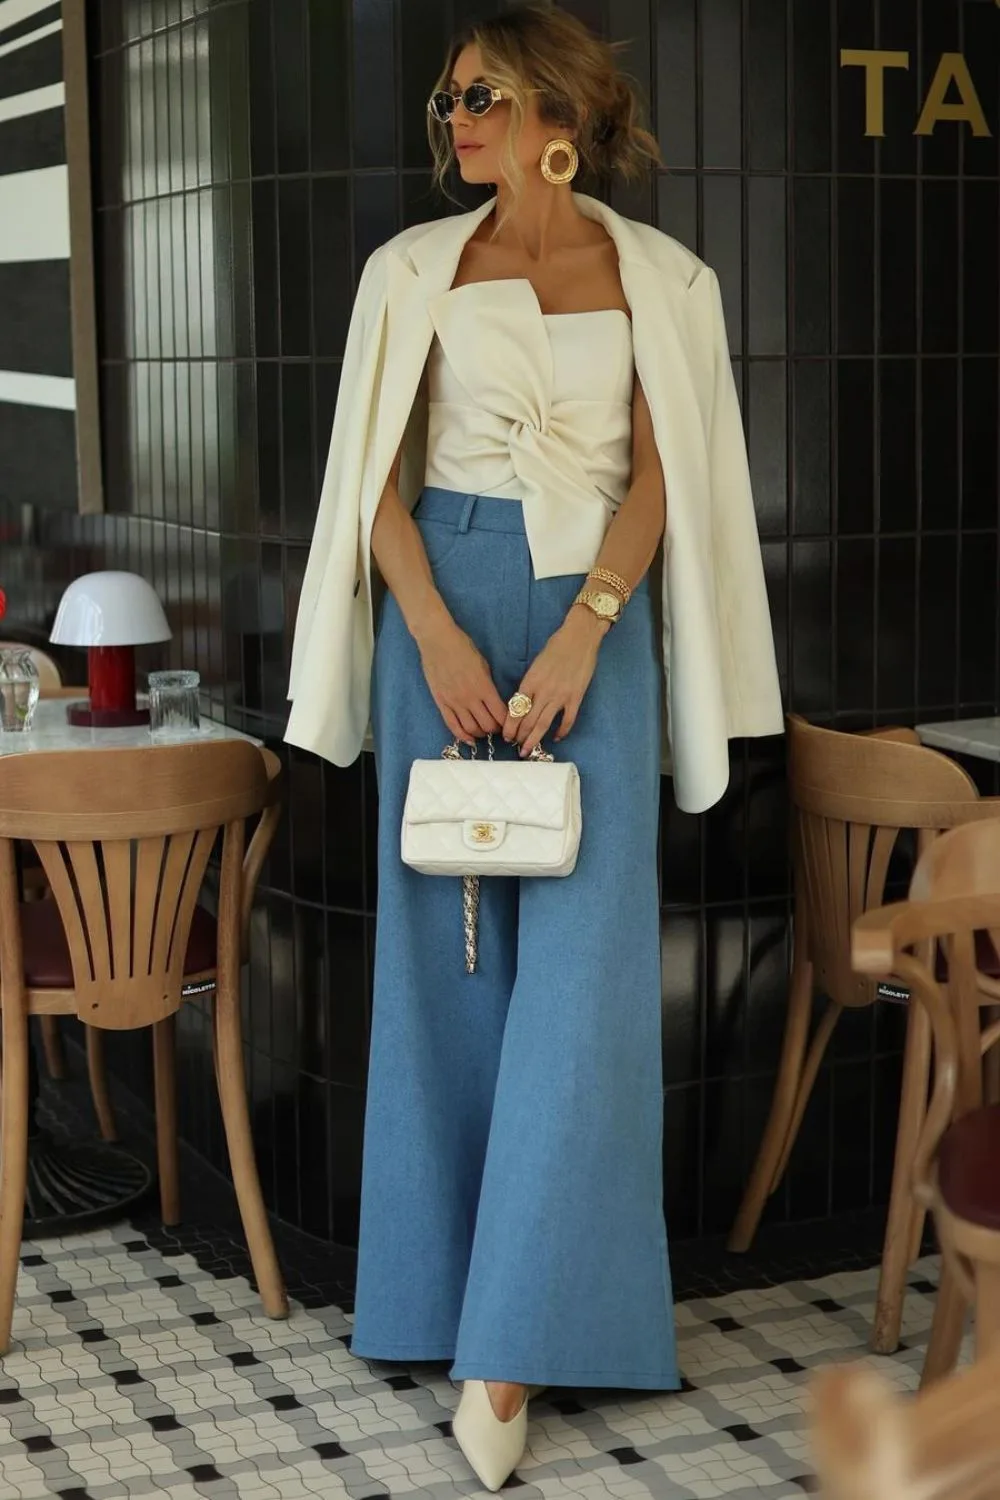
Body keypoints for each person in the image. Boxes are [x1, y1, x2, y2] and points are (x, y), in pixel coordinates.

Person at [285, 4, 783, 1489]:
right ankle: (440, 1304)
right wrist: (434, 634)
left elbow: (663, 472)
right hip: (440, 602)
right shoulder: (411, 274)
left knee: (583, 977)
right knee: (449, 965)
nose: (457, 123)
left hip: (595, 635)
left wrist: (588, 629)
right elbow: (367, 474)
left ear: (558, 106)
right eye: (448, 104)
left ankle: (512, 1351)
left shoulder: (662, 280)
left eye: (480, 96)